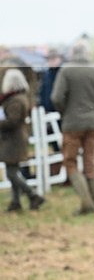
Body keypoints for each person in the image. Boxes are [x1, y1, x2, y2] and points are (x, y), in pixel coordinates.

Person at [51, 41, 94, 215]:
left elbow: (57, 97)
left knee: (70, 162)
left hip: (72, 123)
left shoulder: (66, 70)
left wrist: (66, 112)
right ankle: (93, 203)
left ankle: (86, 203)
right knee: (91, 162)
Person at [1, 69, 45, 212]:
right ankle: (16, 202)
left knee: (12, 173)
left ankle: (32, 195)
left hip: (13, 140)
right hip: (14, 140)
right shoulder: (18, 98)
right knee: (12, 170)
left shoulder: (16, 100)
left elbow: (12, 122)